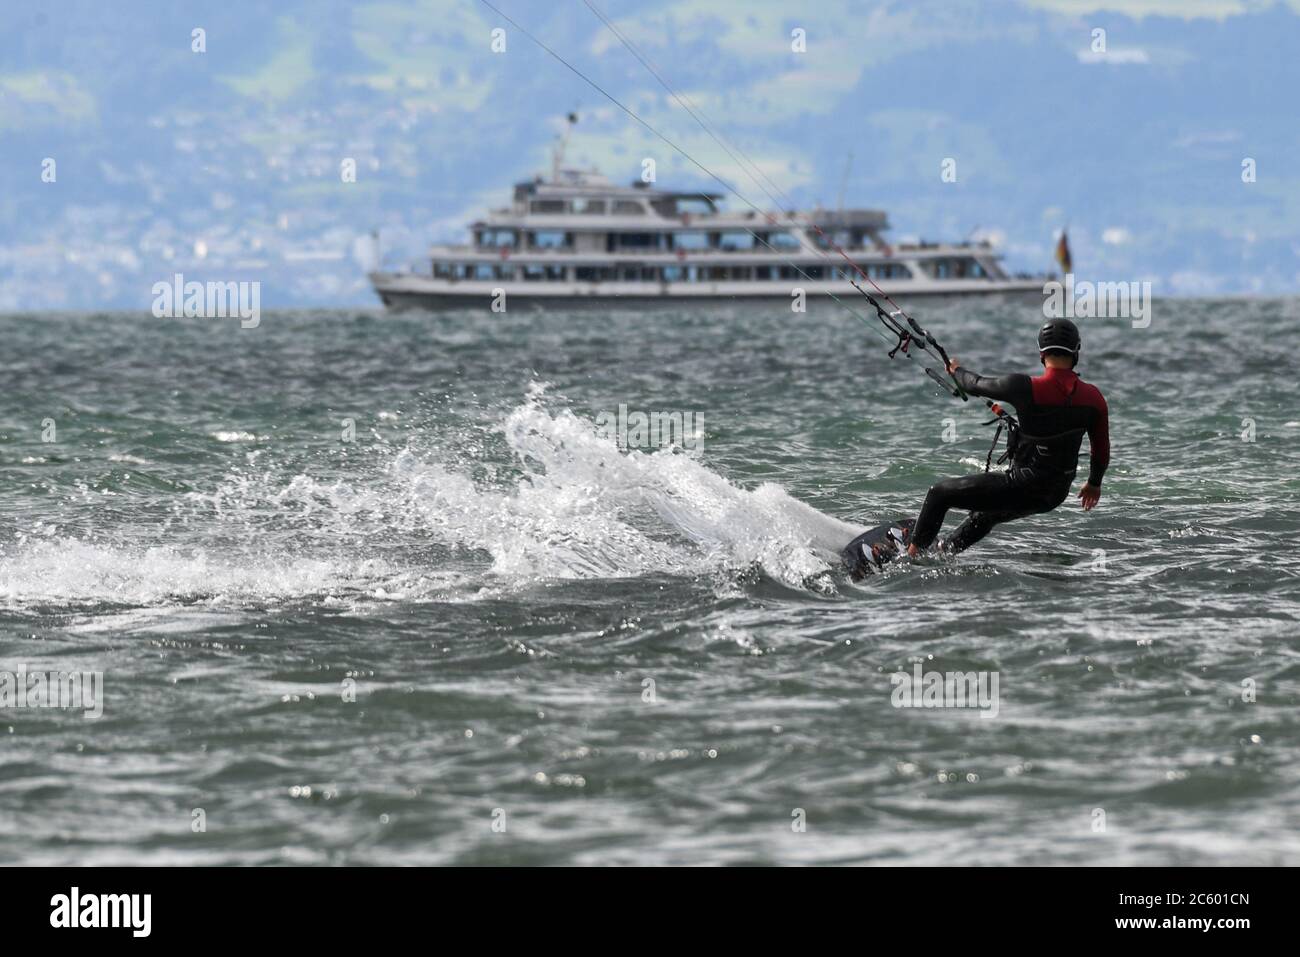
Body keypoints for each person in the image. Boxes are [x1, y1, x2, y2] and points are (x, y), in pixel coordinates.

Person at [906, 318, 1109, 557]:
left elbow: (976, 384)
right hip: (1054, 495)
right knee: (985, 515)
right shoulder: (1094, 397)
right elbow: (1101, 449)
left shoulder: (1023, 387)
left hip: (1024, 485)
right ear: (1076, 352)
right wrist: (1094, 484)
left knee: (939, 494)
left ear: (1041, 353)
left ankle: (911, 558)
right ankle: (943, 552)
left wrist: (956, 371)